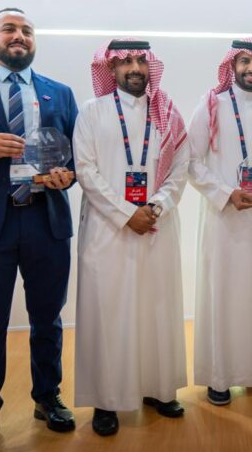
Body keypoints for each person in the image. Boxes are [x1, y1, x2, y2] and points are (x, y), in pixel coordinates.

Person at [0, 8, 77, 452]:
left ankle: (47, 397)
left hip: (45, 220)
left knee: (48, 319)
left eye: (27, 31)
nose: (19, 36)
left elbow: (75, 158)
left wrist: (67, 177)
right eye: (9, 29)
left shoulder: (60, 93)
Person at [73, 39, 190, 436]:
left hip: (156, 226)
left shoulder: (168, 113)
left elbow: (181, 167)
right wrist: (127, 214)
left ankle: (159, 389)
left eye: (142, 60)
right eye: (126, 62)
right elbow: (86, 171)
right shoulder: (92, 112)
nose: (135, 68)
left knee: (157, 311)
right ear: (111, 68)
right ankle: (106, 400)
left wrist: (155, 206)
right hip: (108, 232)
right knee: (109, 315)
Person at [187, 38, 252, 406]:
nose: (251, 68)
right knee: (225, 295)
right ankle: (221, 375)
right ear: (232, 65)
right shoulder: (210, 106)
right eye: (244, 61)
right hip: (225, 221)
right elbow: (191, 161)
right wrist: (226, 193)